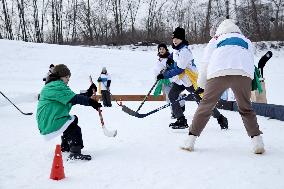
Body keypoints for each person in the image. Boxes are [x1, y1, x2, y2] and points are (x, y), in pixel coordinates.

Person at [181, 19, 265, 154]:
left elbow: (205, 62)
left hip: (218, 72)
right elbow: (250, 59)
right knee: (245, 107)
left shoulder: (215, 39)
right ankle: (257, 141)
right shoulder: (246, 40)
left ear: (220, 30)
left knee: (206, 106)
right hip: (242, 71)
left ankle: (190, 140)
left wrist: (201, 85)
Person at [156, 27, 228, 130]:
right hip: (181, 80)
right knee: (172, 95)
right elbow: (174, 55)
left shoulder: (185, 51)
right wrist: (169, 60)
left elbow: (179, 69)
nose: (175, 41)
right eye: (173, 38)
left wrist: (165, 75)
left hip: (191, 80)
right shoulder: (177, 50)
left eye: (177, 38)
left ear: (182, 39)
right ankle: (181, 120)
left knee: (202, 102)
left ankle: (220, 118)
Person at [36, 64, 102, 160]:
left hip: (49, 119)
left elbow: (70, 98)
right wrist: (91, 102)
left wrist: (88, 93)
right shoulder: (56, 86)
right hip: (50, 120)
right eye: (66, 77)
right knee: (74, 129)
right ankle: (75, 153)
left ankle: (66, 146)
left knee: (72, 122)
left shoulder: (53, 85)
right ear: (59, 77)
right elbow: (74, 98)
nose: (68, 79)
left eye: (69, 77)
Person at [153, 43, 185, 119]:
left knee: (174, 95)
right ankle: (174, 111)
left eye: (163, 49)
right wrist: (157, 78)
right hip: (164, 81)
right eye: (160, 49)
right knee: (168, 97)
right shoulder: (159, 60)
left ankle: (181, 106)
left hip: (172, 80)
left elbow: (175, 69)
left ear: (166, 49)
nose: (161, 50)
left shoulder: (170, 58)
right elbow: (157, 71)